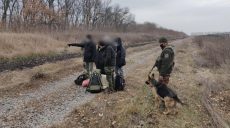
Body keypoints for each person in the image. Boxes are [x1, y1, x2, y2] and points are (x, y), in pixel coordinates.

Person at [153, 37, 175, 111]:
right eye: (160, 43)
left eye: (161, 43)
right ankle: (164, 102)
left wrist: (161, 74)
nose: (160, 45)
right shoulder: (166, 50)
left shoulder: (167, 51)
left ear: (165, 43)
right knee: (162, 88)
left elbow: (166, 64)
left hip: (164, 73)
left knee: (162, 88)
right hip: (164, 73)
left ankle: (167, 104)